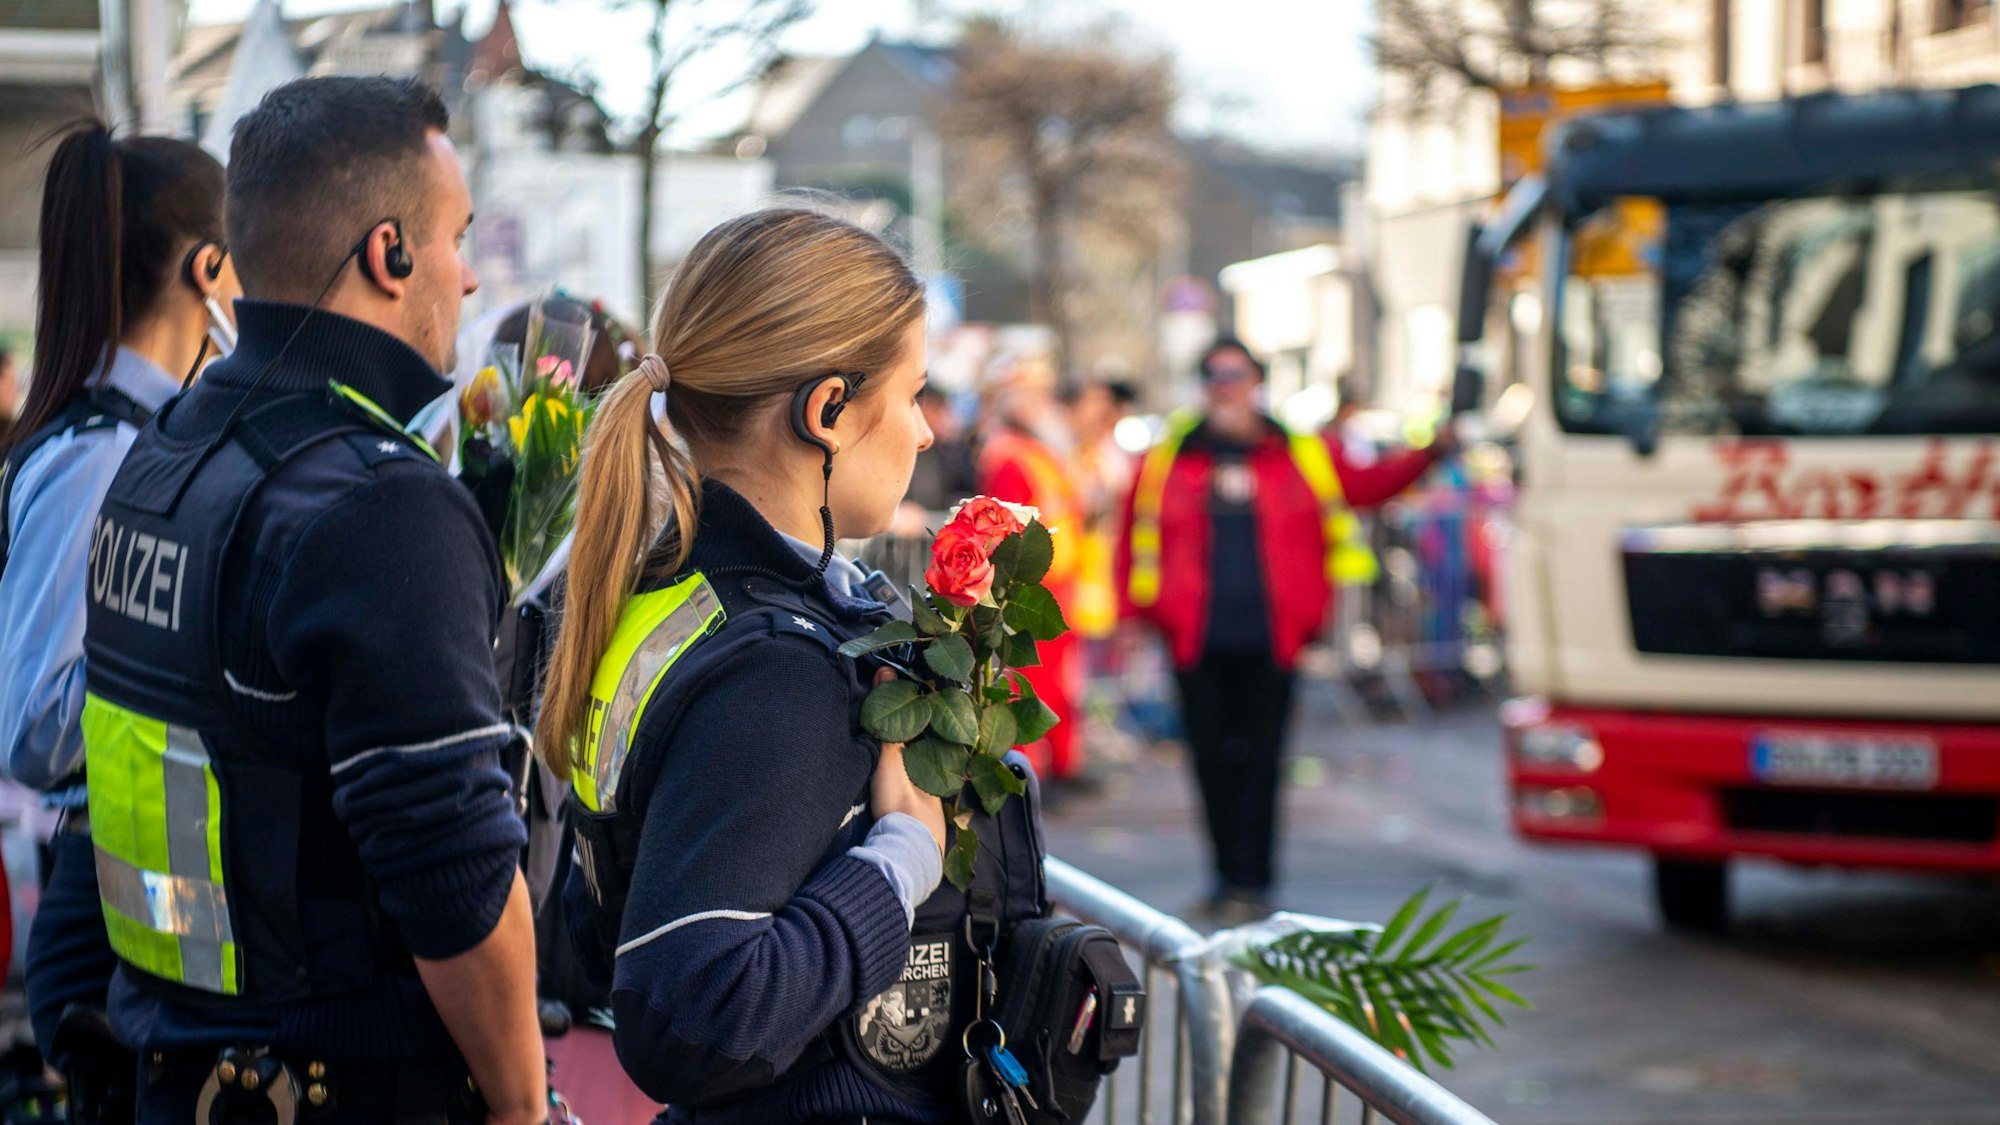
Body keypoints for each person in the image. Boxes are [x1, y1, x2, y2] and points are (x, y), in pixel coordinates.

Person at [77, 77, 543, 1122]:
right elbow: (453, 875)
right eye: (457, 239)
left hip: (177, 1064)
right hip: (343, 1084)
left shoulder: (165, 455)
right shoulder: (377, 501)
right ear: (389, 254)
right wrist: (521, 1104)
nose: (469, 281)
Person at [538, 208, 1048, 1123]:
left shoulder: (671, 591)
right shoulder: (778, 669)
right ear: (827, 411)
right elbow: (694, 1015)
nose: (929, 433)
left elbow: (605, 916)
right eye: (913, 396)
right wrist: (902, 856)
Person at [0, 122, 235, 1079]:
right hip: (103, 908)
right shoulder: (98, 454)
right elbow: (34, 727)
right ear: (210, 268)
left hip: (145, 882)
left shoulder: (155, 433)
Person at [1116, 337, 1446, 923]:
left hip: (1274, 640)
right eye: (1214, 375)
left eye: (1236, 374)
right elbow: (1130, 541)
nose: (1225, 386)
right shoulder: (1169, 459)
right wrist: (1134, 618)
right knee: (1211, 763)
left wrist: (1430, 453)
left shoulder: (1298, 452)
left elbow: (1367, 486)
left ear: (1256, 382)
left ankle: (1255, 881)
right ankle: (1224, 877)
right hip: (1196, 641)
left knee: (1263, 763)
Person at [977, 352, 1086, 783]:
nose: (1041, 400)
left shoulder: (1036, 449)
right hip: (1035, 585)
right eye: (1030, 391)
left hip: (1059, 581)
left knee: (1057, 678)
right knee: (1030, 678)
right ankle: (1028, 767)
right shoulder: (1008, 453)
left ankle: (1060, 763)